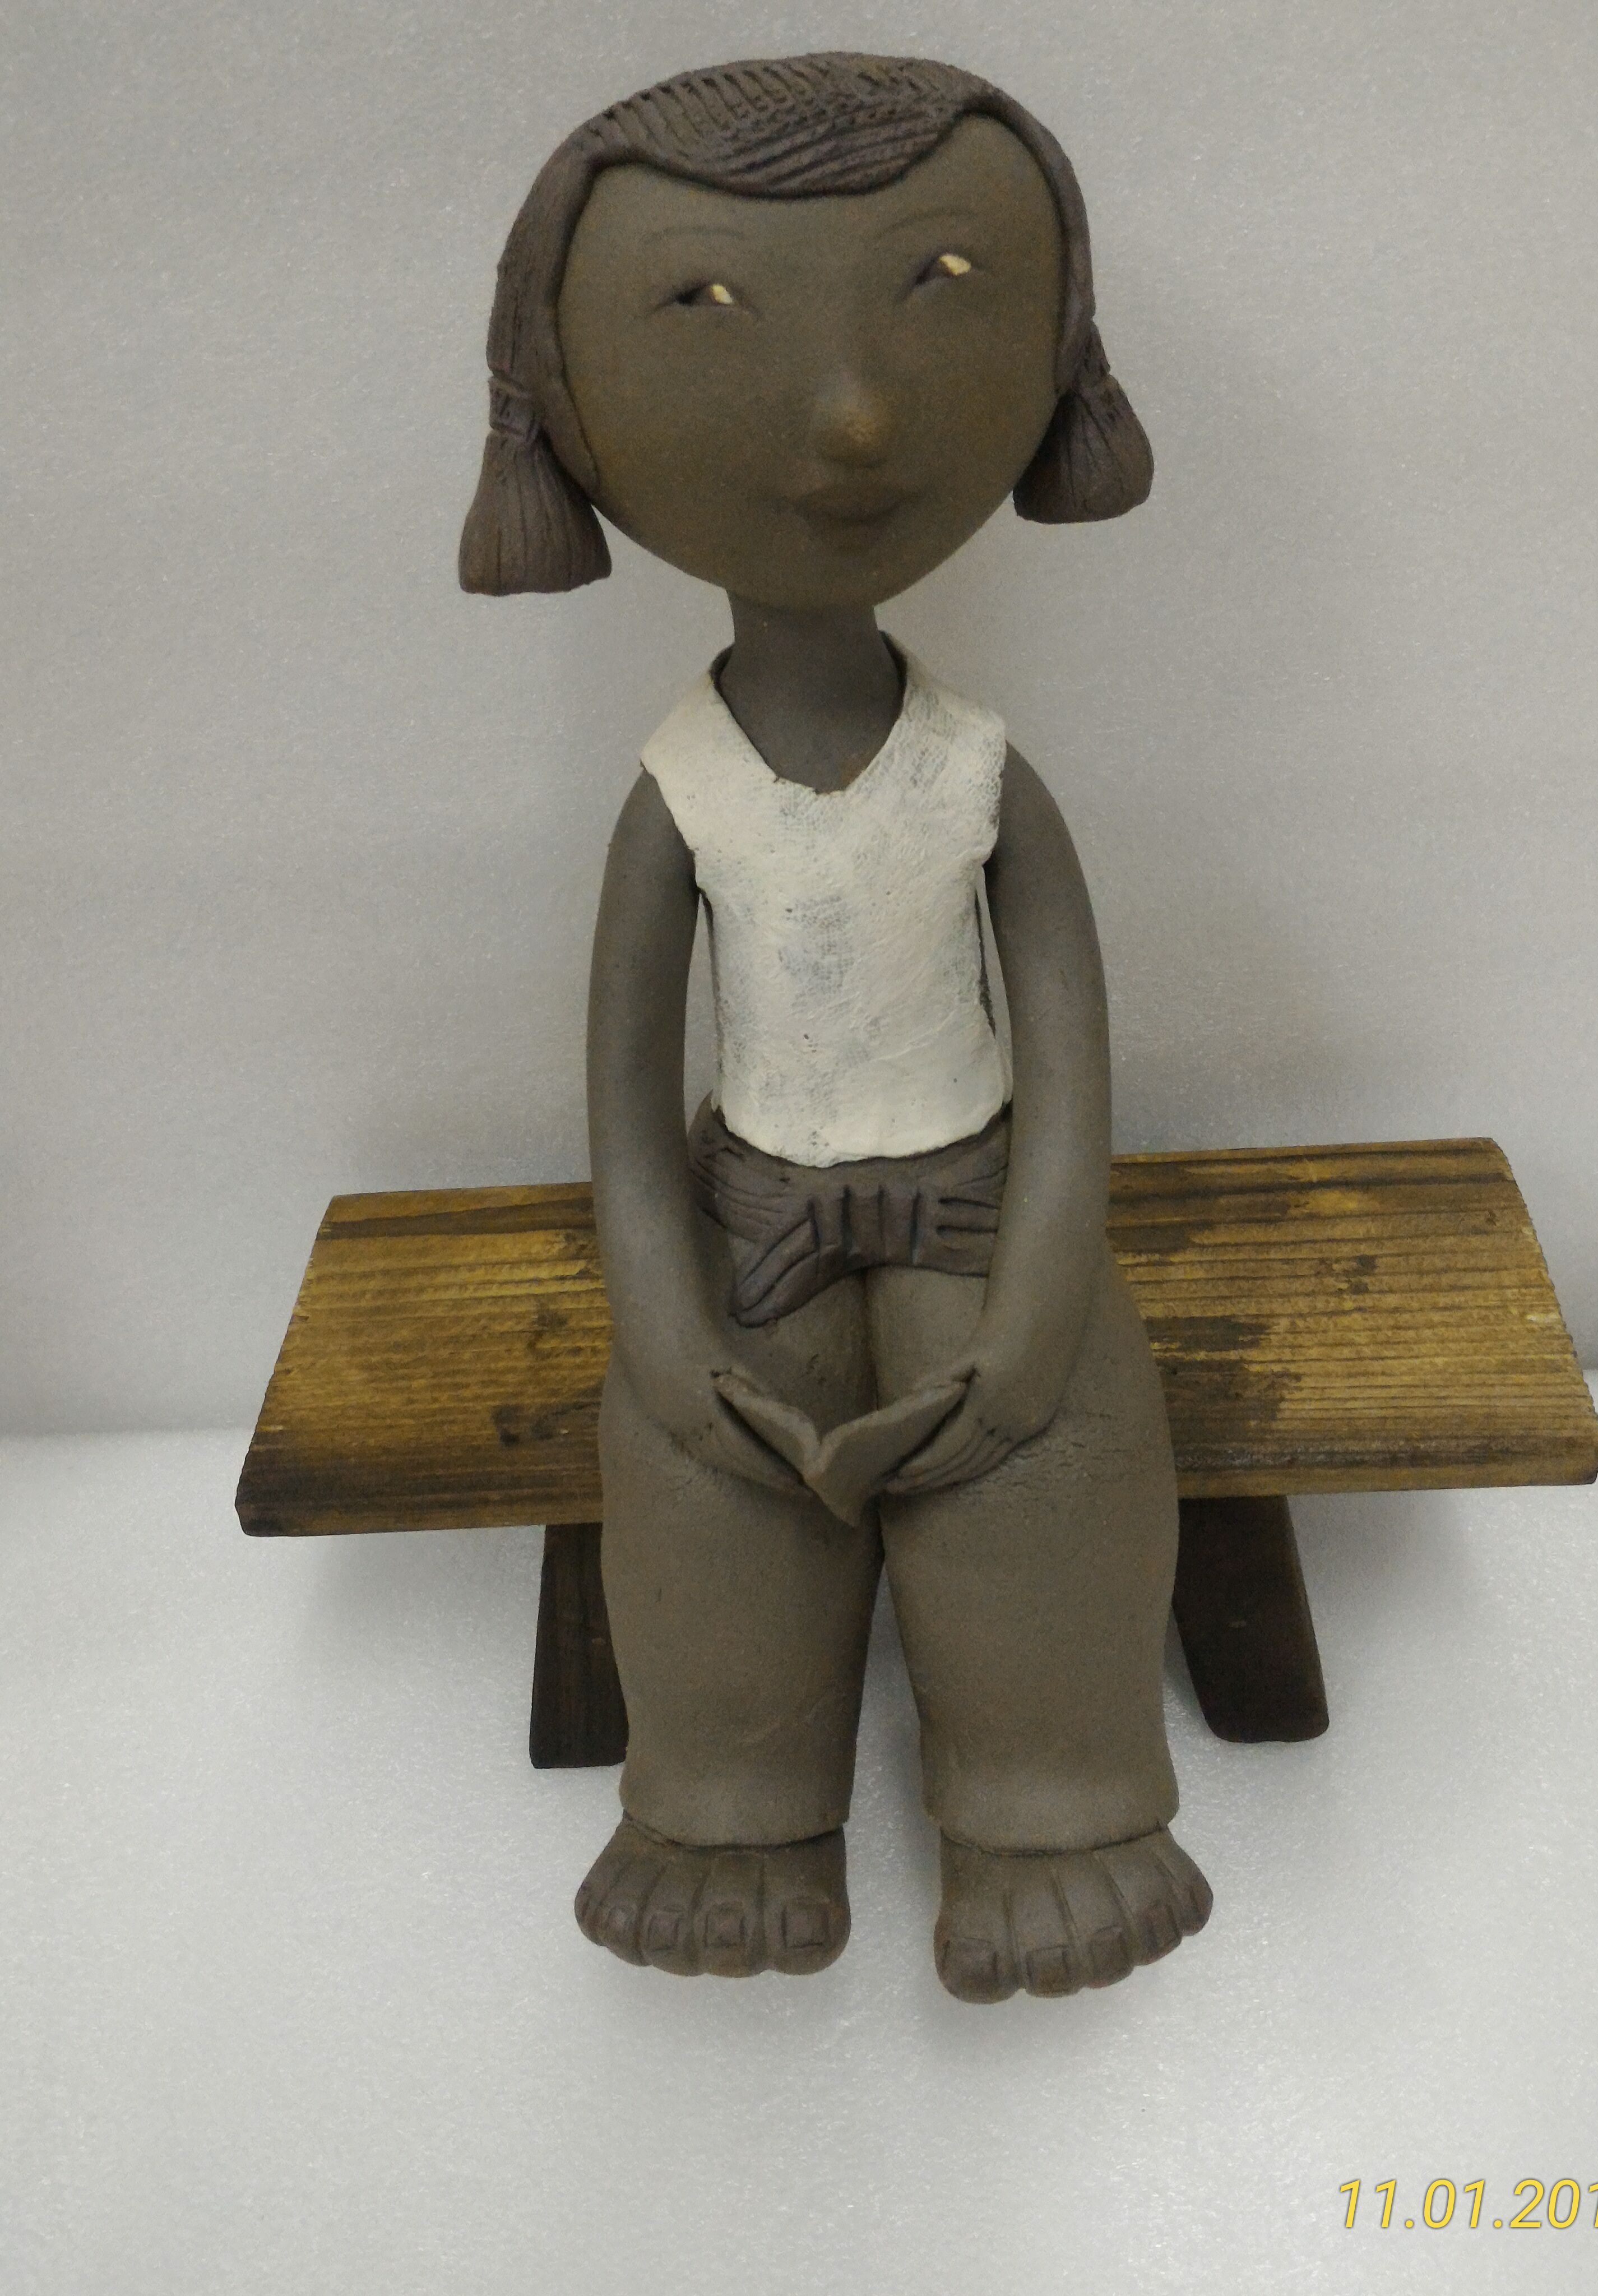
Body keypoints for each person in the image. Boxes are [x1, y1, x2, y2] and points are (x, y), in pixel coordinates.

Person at [461, 52, 1211, 2003]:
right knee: (702, 1472)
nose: (859, 412)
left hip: (975, 1209)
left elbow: (1075, 1071)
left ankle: (1052, 1786)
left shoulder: (979, 775)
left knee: (1053, 1445)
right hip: (750, 1224)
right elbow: (628, 1098)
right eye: (703, 305)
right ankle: (728, 1792)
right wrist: (660, 1316)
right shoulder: (681, 793)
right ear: (565, 410)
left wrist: (1039, 1304)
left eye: (943, 287)